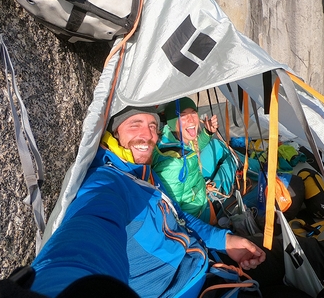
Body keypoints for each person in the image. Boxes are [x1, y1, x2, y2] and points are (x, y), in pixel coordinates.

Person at [27, 106, 268, 298]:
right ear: (114, 132)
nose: (148, 134)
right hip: (182, 286)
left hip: (205, 269)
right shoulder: (107, 181)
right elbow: (88, 234)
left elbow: (177, 216)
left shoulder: (144, 174)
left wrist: (225, 241)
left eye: (152, 125)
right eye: (135, 124)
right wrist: (55, 286)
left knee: (268, 257)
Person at [152, 97, 220, 223]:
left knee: (219, 146)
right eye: (182, 115)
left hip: (200, 194)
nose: (191, 119)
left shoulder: (173, 137)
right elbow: (173, 214)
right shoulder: (172, 164)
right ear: (173, 122)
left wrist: (208, 132)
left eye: (193, 112)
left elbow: (194, 146)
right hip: (197, 215)